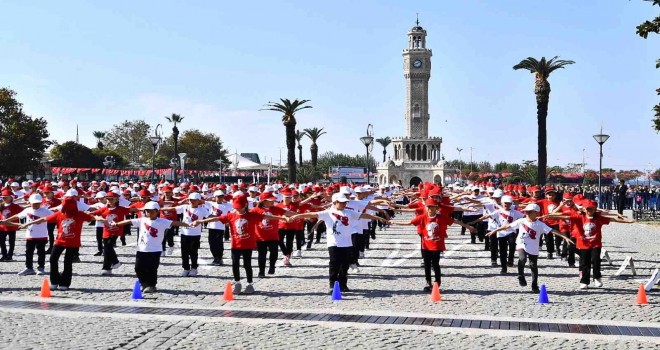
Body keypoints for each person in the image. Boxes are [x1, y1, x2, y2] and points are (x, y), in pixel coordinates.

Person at [290, 193, 387, 293]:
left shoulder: (349, 212)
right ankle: (332, 285)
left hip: (347, 242)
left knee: (344, 266)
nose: (344, 204)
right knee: (334, 264)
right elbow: (312, 214)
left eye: (345, 202)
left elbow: (363, 215)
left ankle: (343, 285)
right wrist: (298, 215)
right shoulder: (327, 213)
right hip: (334, 243)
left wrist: (378, 218)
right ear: (335, 202)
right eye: (341, 202)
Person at [198, 194, 289, 294]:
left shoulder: (252, 215)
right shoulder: (231, 215)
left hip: (248, 245)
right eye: (236, 208)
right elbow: (217, 218)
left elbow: (267, 216)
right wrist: (201, 221)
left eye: (240, 208)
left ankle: (250, 284)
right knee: (235, 264)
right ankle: (237, 283)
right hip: (235, 245)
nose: (238, 210)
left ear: (245, 205)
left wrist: (283, 218)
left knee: (247, 265)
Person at [545, 199, 634, 289]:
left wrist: (628, 221)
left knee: (596, 260)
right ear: (584, 209)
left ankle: (597, 278)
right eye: (588, 209)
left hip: (596, 243)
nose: (589, 211)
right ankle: (584, 281)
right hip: (583, 244)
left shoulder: (599, 218)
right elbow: (564, 217)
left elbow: (613, 219)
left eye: (592, 209)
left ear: (595, 209)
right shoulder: (579, 217)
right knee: (585, 263)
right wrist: (547, 216)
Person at [390, 198, 475, 291]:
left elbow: (454, 221)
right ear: (426, 208)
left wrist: (468, 227)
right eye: (429, 207)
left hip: (436, 245)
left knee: (435, 264)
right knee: (427, 264)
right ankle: (428, 282)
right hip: (425, 245)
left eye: (433, 207)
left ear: (436, 208)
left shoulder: (441, 217)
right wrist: (394, 222)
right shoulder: (422, 217)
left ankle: (437, 283)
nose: (431, 209)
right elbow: (409, 223)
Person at [486, 203, 572, 293]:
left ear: (536, 213)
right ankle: (521, 275)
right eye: (526, 212)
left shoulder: (540, 224)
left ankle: (534, 284)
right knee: (522, 258)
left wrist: (565, 237)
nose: (527, 213)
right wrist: (495, 230)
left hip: (533, 246)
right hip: (521, 243)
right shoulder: (521, 221)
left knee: (533, 265)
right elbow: (507, 226)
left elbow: (552, 231)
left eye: (530, 212)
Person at [20, 197, 103, 291]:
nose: (66, 209)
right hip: (59, 241)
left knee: (67, 262)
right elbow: (43, 219)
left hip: (73, 242)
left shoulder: (80, 214)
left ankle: (65, 283)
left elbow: (92, 217)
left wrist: (101, 219)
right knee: (53, 259)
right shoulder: (59, 214)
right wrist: (27, 224)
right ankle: (54, 281)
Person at [110, 201, 189, 293]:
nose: (149, 213)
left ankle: (152, 285)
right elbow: (129, 221)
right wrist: (116, 224)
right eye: (147, 211)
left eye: (152, 212)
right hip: (141, 249)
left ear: (157, 212)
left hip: (155, 250)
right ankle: (143, 283)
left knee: (152, 268)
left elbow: (175, 223)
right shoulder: (142, 220)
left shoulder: (162, 221)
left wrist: (188, 224)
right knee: (138, 268)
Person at [1, 194, 53, 275]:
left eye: (37, 203)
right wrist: (6, 220)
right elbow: (17, 216)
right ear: (30, 202)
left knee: (41, 252)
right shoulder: (27, 210)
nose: (35, 205)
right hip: (30, 235)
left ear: (40, 202)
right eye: (33, 203)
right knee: (29, 252)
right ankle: (29, 268)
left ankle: (41, 267)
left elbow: (54, 217)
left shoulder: (45, 211)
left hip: (42, 235)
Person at [161, 193, 210, 277]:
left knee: (193, 252)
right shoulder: (185, 207)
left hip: (195, 234)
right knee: (184, 252)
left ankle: (194, 268)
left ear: (198, 201)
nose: (192, 202)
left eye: (194, 200)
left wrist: (219, 218)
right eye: (190, 200)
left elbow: (209, 217)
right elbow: (172, 209)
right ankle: (186, 268)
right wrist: (158, 209)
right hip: (184, 233)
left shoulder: (202, 210)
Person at [91, 192, 131, 275]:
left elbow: (133, 209)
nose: (109, 201)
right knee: (106, 249)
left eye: (111, 199)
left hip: (116, 231)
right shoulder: (104, 209)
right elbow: (93, 214)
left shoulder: (121, 209)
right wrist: (100, 219)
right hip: (106, 231)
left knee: (108, 247)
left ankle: (115, 262)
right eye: (108, 199)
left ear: (116, 199)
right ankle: (108, 268)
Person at [0, 188, 24, 261]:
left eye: (6, 197)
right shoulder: (1, 205)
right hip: (2, 227)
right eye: (3, 197)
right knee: (1, 242)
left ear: (11, 197)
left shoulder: (15, 206)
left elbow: (23, 212)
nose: (5, 198)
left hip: (12, 227)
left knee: (11, 242)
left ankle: (10, 255)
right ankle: (4, 255)